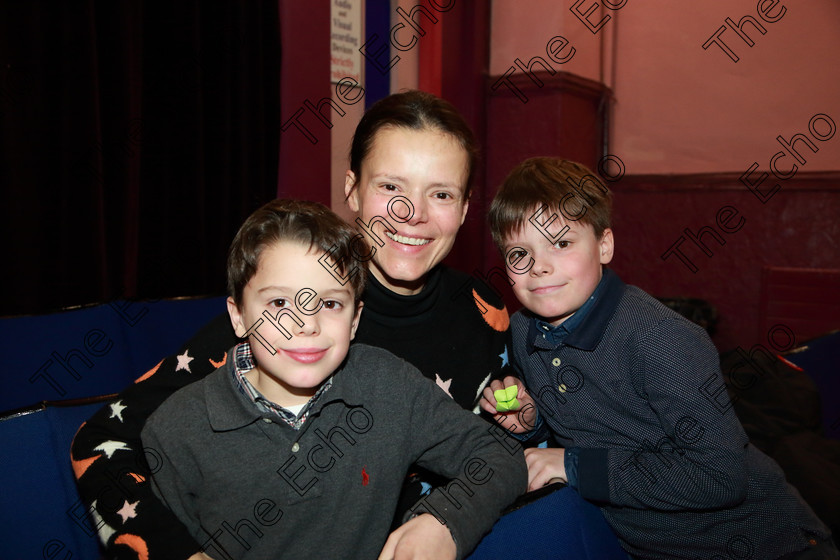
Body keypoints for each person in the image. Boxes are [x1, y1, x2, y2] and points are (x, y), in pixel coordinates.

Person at [70, 91, 622, 560]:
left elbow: (503, 444)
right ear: (353, 190)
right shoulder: (294, 314)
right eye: (390, 188)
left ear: (466, 207)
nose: (413, 215)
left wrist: (506, 437)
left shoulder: (484, 306)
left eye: (441, 194)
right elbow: (103, 443)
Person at [480, 157, 837, 559]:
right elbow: (581, 429)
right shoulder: (526, 330)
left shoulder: (660, 339)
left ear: (604, 245)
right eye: (518, 254)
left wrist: (576, 466)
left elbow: (719, 477)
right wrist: (530, 422)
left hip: (766, 547)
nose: (539, 267)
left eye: (561, 243)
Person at [140, 199, 526, 559]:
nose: (306, 324)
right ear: (238, 316)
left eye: (329, 303)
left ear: (355, 319)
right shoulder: (177, 429)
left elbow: (500, 457)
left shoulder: (388, 386)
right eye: (278, 303)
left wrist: (445, 522)